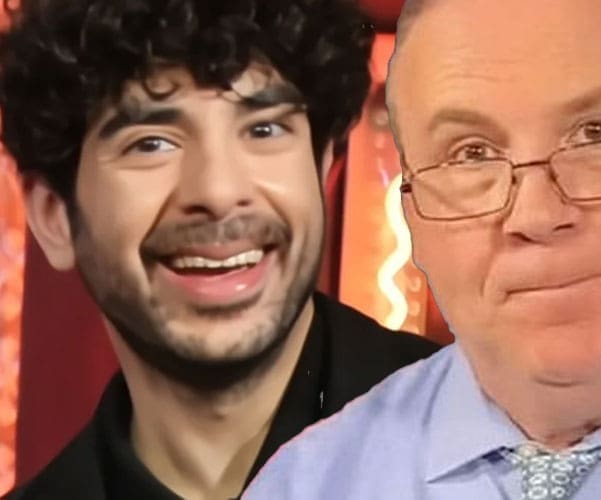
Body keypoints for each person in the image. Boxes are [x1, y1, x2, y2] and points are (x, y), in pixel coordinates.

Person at [244, 0, 601, 499]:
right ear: (411, 212)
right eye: (471, 154)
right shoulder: (309, 482)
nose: (537, 216)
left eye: (596, 133)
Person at [0, 0, 439, 498]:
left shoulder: (497, 435)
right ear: (54, 217)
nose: (218, 191)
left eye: (264, 130)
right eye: (150, 143)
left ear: (321, 168)